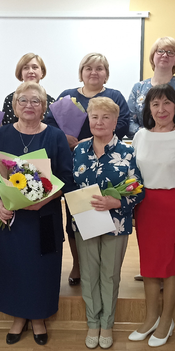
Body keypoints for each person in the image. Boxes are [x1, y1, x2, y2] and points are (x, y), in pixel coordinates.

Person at [0, 82, 74, 346]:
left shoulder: (56, 136)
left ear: (44, 107)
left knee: (42, 267)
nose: (29, 105)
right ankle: (18, 317)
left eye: (36, 101)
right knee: (12, 266)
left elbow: (67, 179)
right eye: (23, 100)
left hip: (44, 216)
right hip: (9, 216)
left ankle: (38, 318)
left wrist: (44, 200)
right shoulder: (2, 135)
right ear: (14, 106)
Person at [44, 52, 130, 287]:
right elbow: (50, 123)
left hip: (108, 161)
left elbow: (123, 123)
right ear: (81, 72)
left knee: (106, 210)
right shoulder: (67, 96)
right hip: (74, 163)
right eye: (88, 68)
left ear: (106, 74)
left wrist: (92, 139)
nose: (94, 72)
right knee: (76, 213)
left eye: (99, 68)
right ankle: (79, 264)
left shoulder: (115, 96)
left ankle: (104, 265)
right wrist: (64, 138)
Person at [129, 84, 175, 347]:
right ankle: (151, 318)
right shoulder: (140, 136)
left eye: (167, 103)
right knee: (149, 266)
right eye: (155, 104)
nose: (161, 109)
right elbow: (133, 176)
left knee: (170, 267)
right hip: (146, 206)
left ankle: (167, 321)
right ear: (148, 109)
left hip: (174, 206)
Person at [72, 98, 144, 349]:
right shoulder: (79, 150)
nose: (99, 122)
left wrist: (117, 202)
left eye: (106, 118)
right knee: (89, 274)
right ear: (88, 120)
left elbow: (139, 189)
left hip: (117, 222)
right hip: (86, 222)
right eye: (94, 117)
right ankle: (93, 322)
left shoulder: (127, 152)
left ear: (115, 123)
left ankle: (107, 324)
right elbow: (72, 184)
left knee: (110, 275)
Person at [127, 36, 175, 138]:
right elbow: (129, 121)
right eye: (160, 51)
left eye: (170, 52)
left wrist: (168, 136)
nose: (165, 55)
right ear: (152, 57)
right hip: (144, 142)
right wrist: (148, 135)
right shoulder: (138, 88)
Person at [0, 53, 54, 125]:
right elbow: (7, 128)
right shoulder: (10, 99)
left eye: (35, 67)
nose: (31, 71)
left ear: (42, 72)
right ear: (21, 73)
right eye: (26, 68)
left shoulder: (51, 102)